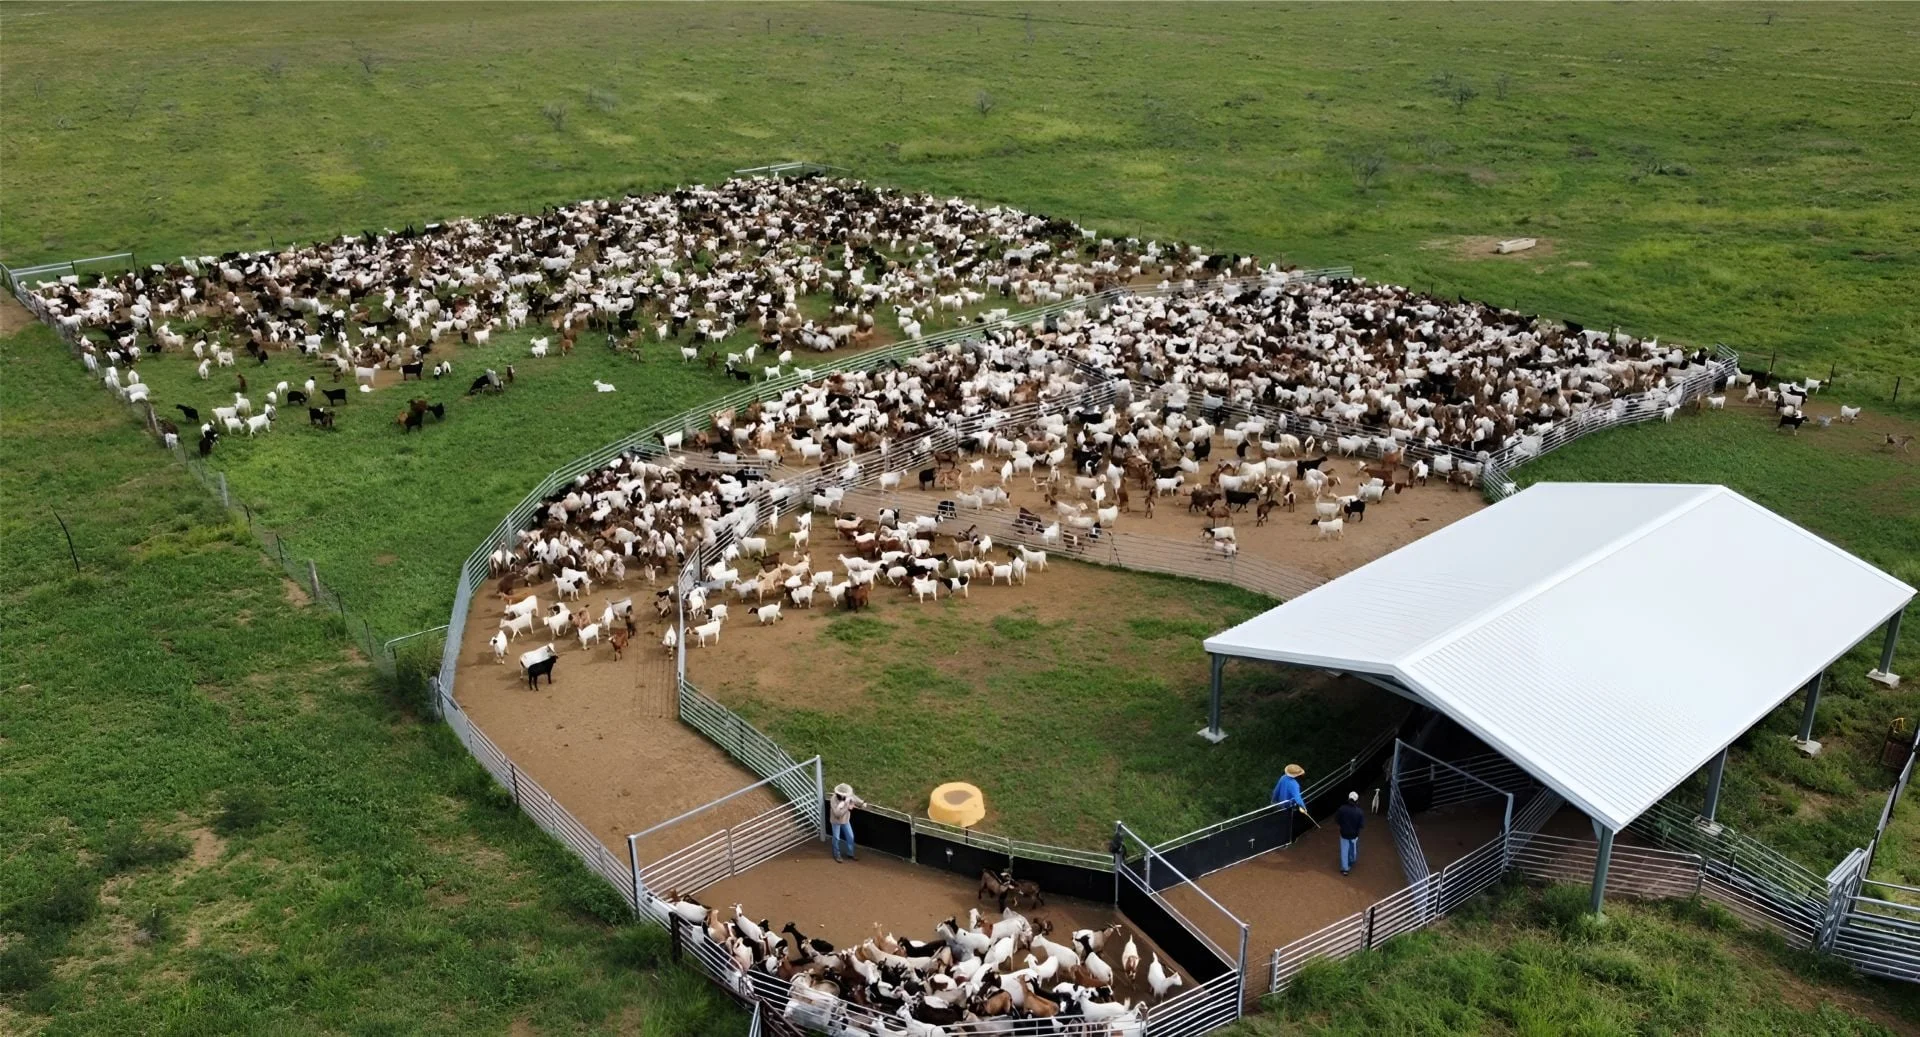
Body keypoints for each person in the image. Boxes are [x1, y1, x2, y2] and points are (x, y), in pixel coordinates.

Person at [829, 783, 865, 862]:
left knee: (850, 836)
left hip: (845, 820)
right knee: (836, 838)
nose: (845, 796)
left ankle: (850, 853)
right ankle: (837, 855)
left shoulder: (848, 796)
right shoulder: (833, 799)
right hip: (836, 821)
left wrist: (862, 803)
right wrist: (847, 807)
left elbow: (854, 798)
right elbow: (837, 814)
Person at [1336, 791, 1366, 876]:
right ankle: (1351, 861)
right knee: (1353, 850)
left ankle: (1345, 869)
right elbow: (1362, 825)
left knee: (1344, 851)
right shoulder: (1359, 812)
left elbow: (1337, 820)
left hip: (1344, 834)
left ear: (1348, 799)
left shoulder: (1342, 809)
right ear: (1357, 800)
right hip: (1354, 835)